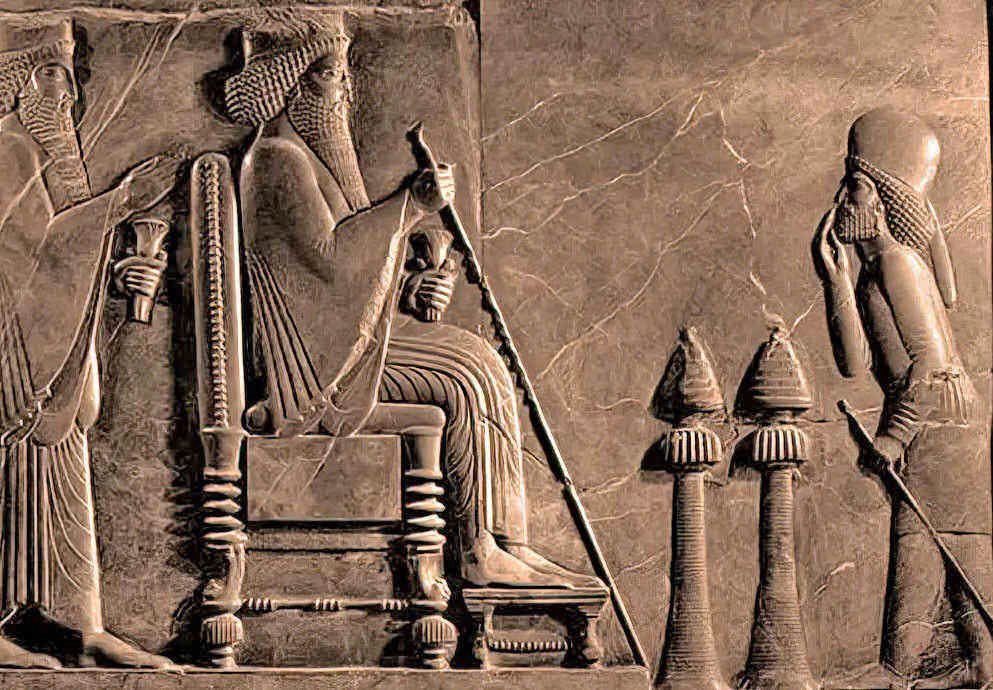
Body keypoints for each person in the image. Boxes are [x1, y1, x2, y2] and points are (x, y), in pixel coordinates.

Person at [224, 11, 596, 589]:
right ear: (292, 83)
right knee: (464, 373)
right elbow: (330, 262)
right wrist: (410, 204)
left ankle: (511, 542)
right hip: (312, 371)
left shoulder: (306, 155)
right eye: (331, 74)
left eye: (345, 75)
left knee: (479, 361)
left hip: (340, 345)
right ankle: (479, 549)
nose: (345, 92)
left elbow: (346, 276)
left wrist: (406, 287)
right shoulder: (277, 159)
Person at [0, 18, 178, 668]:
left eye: (71, 77)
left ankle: (82, 625)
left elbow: (65, 255)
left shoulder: (40, 155)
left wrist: (122, 268)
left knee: (64, 463)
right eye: (53, 74)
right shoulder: (10, 150)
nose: (68, 94)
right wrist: (119, 202)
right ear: (17, 82)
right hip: (13, 352)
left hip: (51, 353)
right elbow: (33, 252)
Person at [814, 107, 993, 689]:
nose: (841, 199)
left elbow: (930, 363)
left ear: (885, 199)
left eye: (855, 187)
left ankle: (912, 669)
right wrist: (835, 280)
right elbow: (855, 365)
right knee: (940, 545)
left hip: (942, 418)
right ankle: (969, 665)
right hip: (927, 417)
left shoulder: (898, 263)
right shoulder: (870, 274)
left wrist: (894, 436)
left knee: (931, 543)